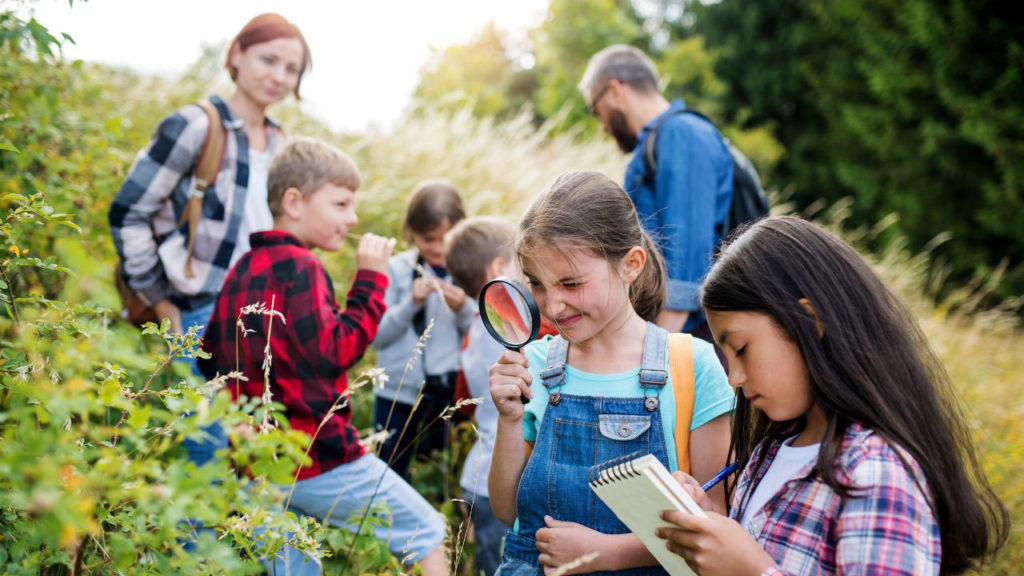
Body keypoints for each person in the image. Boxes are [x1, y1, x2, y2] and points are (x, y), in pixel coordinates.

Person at [656, 216, 1009, 575]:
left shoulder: (875, 474)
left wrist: (750, 571)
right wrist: (712, 526)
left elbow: (756, 564)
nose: (734, 377)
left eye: (742, 348)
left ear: (810, 321)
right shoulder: (770, 453)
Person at [197, 139, 448, 576]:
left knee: (295, 566)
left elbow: (208, 358)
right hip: (317, 456)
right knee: (425, 531)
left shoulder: (243, 268)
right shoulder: (303, 267)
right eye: (341, 203)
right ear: (294, 202)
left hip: (257, 461)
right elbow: (337, 352)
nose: (352, 218)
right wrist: (370, 280)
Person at [488, 171, 734, 575]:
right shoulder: (532, 363)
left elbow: (716, 519)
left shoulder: (690, 365)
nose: (553, 306)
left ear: (631, 265)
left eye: (571, 283)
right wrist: (509, 418)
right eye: (537, 284)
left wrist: (608, 553)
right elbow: (505, 510)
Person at [109, 13, 311, 466]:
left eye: (291, 68)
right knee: (208, 448)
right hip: (201, 310)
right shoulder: (196, 125)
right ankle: (192, 539)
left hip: (264, 317)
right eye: (269, 59)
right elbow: (129, 213)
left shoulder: (282, 142)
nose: (278, 76)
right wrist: (162, 302)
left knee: (259, 450)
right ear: (237, 54)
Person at [579, 45, 733, 344]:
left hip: (692, 338)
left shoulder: (681, 133)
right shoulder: (658, 142)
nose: (602, 126)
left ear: (615, 90)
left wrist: (654, 356)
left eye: (596, 110)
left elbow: (687, 266)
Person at [373, 179, 476, 479]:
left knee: (448, 475)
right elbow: (378, 336)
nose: (439, 249)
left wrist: (463, 310)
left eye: (448, 238)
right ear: (411, 234)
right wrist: (410, 304)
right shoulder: (396, 270)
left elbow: (485, 334)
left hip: (451, 393)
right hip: (397, 393)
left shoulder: (470, 271)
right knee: (388, 473)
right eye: (429, 239)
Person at [444, 216, 520, 576]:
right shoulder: (504, 327)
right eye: (522, 263)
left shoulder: (476, 323)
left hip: (481, 473)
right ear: (499, 269)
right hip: (494, 483)